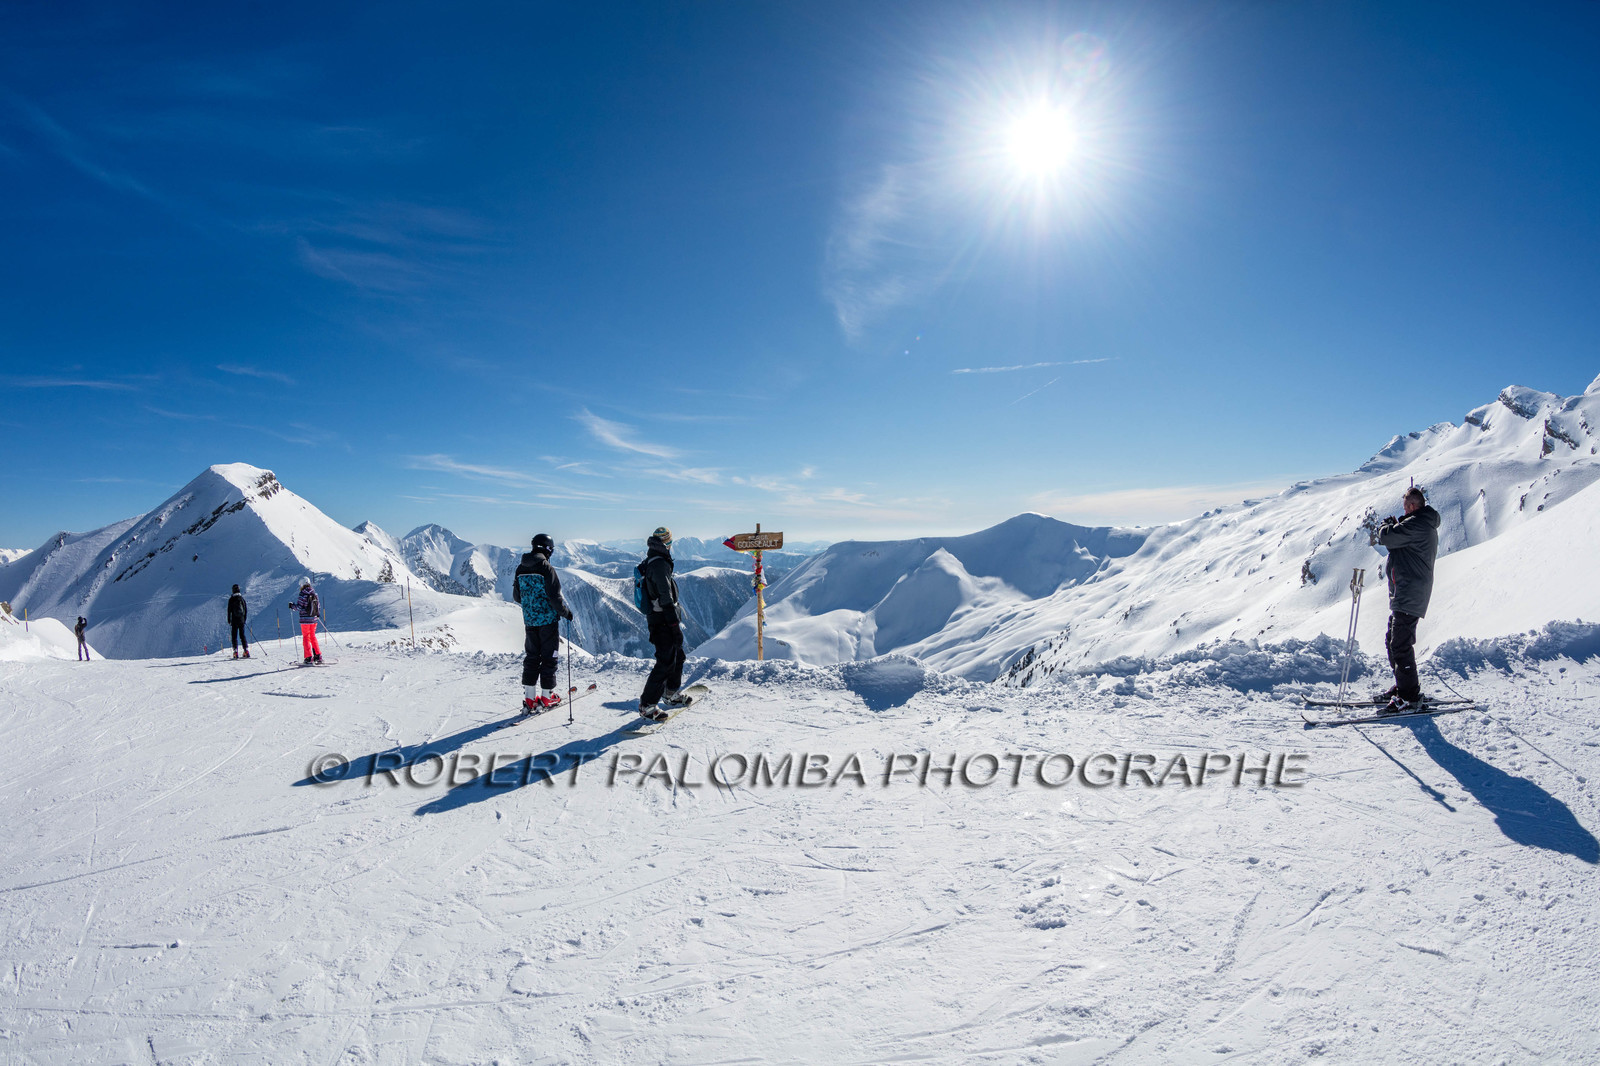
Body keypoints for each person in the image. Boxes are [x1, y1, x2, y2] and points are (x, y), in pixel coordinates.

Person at [1376, 486, 1440, 713]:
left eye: (1405, 507)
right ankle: (1404, 687)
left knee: (1400, 644)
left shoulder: (1417, 524)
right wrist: (1397, 525)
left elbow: (1387, 538)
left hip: (1410, 592)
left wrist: (1387, 526)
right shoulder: (1417, 523)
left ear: (1412, 506)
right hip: (1406, 591)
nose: (1404, 511)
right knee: (1392, 639)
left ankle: (1409, 697)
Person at [512, 533, 574, 713]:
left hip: (530, 621)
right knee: (549, 657)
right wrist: (566, 613)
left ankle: (529, 699)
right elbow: (555, 597)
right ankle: (547, 696)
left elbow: (517, 596)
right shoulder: (546, 568)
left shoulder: (520, 568)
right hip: (548, 621)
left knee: (532, 657)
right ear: (548, 549)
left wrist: (532, 606)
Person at [637, 526, 689, 720]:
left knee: (678, 656)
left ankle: (670, 693)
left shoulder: (656, 560)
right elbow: (665, 598)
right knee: (665, 661)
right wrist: (675, 626)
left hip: (662, 618)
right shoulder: (659, 565)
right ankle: (647, 705)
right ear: (667, 543)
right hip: (662, 620)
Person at [290, 580, 323, 665]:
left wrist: (292, 606)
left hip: (305, 620)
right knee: (313, 637)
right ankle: (318, 656)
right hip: (314, 619)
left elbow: (300, 607)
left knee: (306, 637)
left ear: (302, 584)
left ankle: (308, 657)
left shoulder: (303, 594)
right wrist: (317, 615)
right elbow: (318, 606)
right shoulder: (314, 594)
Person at [227, 584, 250, 659]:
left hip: (234, 620)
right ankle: (246, 650)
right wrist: (244, 619)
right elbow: (245, 610)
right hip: (241, 620)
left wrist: (229, 620)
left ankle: (235, 652)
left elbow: (229, 611)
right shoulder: (242, 599)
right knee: (242, 635)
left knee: (234, 636)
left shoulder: (231, 599)